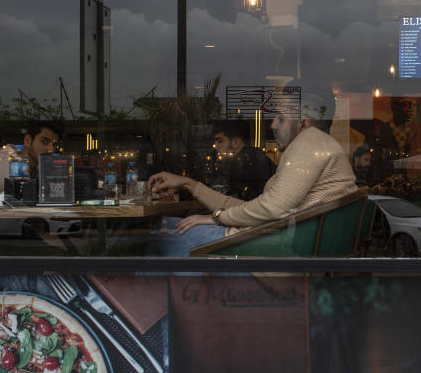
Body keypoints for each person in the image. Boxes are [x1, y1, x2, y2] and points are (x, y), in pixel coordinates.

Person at [147, 89, 359, 256]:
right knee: (166, 230)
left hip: (264, 250)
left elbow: (272, 208)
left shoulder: (310, 141)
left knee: (160, 230)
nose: (273, 124)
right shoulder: (317, 147)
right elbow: (254, 208)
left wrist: (219, 218)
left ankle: (150, 310)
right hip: (268, 241)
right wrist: (188, 184)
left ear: (304, 122)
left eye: (281, 118)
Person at [0, 120, 64, 194]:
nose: (51, 149)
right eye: (44, 142)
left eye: (54, 144)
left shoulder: (28, 163)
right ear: (28, 141)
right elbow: (28, 194)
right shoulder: (4, 160)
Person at [211, 120, 275, 201]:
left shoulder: (250, 161)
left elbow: (251, 200)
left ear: (236, 142)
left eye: (220, 141)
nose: (216, 146)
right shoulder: (248, 158)